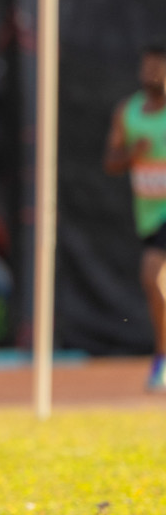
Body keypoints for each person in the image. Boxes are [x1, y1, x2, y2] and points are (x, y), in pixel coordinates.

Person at [105, 43, 166, 392]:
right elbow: (110, 163)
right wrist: (133, 154)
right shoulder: (127, 113)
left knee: (151, 271)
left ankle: (161, 358)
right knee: (155, 283)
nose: (151, 74)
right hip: (149, 215)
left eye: (158, 68)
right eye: (147, 67)